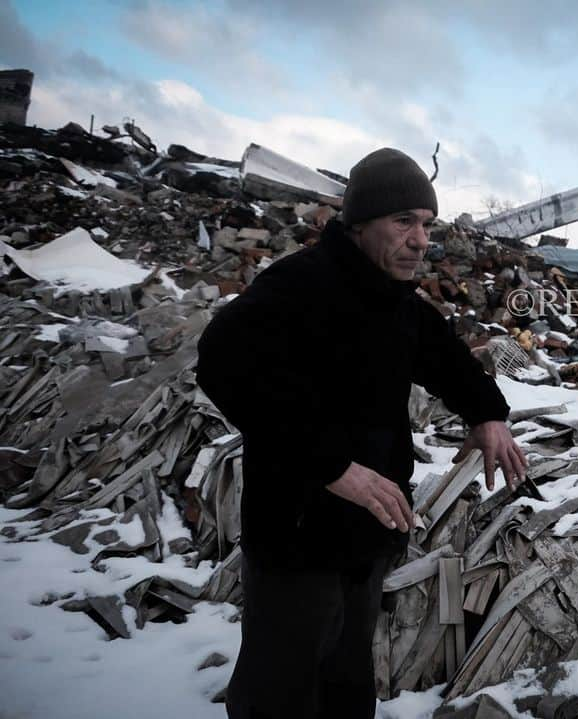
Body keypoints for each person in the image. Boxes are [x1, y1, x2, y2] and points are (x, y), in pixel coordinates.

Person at [195, 147, 527, 719]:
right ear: (359, 224)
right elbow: (222, 366)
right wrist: (330, 466)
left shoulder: (394, 300)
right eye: (404, 222)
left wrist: (487, 414)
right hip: (297, 534)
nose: (421, 240)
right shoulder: (299, 287)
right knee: (282, 691)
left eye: (426, 224)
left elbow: (446, 357)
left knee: (347, 685)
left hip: (367, 534)